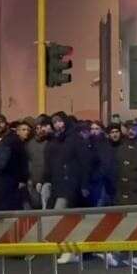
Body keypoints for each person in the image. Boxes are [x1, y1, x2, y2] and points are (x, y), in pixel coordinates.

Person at [46, 112, 90, 264]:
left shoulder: (75, 138)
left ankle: (69, 250)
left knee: (61, 215)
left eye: (59, 121)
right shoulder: (57, 140)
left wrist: (84, 183)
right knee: (65, 216)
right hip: (59, 183)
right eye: (54, 122)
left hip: (71, 183)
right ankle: (70, 249)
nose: (57, 124)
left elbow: (84, 161)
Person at [25, 116, 51, 209]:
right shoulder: (29, 144)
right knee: (35, 205)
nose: (39, 130)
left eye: (41, 128)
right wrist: (29, 178)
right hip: (33, 181)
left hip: (47, 182)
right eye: (37, 128)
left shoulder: (50, 143)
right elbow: (28, 162)